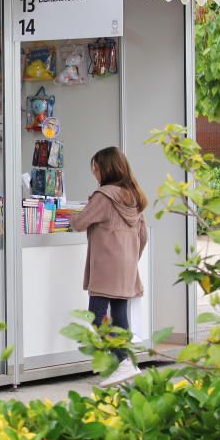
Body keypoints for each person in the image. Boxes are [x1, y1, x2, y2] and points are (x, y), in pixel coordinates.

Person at [70, 146, 148, 387]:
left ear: (105, 168)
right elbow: (143, 235)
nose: (94, 173)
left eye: (95, 168)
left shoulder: (104, 196)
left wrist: (70, 216)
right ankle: (124, 364)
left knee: (96, 316)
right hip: (126, 266)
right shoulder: (134, 196)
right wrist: (132, 259)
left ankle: (123, 361)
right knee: (120, 316)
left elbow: (80, 223)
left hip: (106, 265)